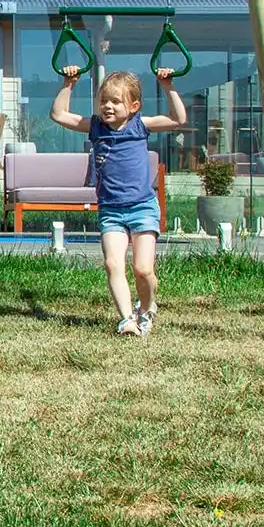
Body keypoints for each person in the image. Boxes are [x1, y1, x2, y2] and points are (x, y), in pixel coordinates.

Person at [50, 66, 186, 336]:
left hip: (142, 207)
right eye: (104, 101)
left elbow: (177, 118)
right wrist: (68, 83)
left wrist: (168, 86)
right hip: (111, 210)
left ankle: (147, 309)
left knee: (143, 269)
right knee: (113, 263)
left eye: (115, 101)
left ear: (134, 105)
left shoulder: (140, 125)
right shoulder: (96, 127)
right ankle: (126, 319)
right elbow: (58, 114)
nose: (108, 107)